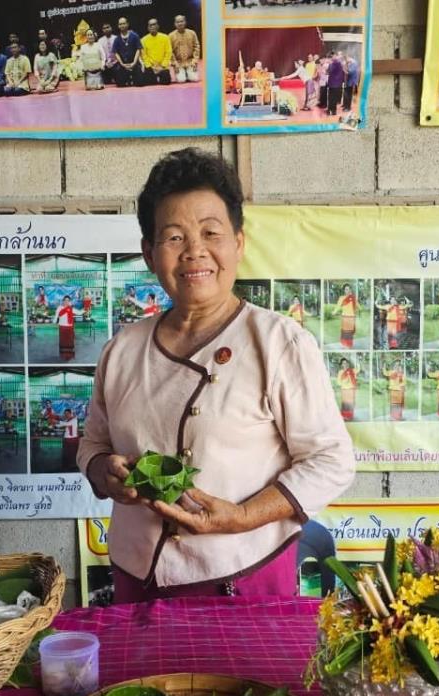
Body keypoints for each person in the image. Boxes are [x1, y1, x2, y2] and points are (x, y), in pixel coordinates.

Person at [77, 148, 353, 602]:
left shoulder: (278, 342)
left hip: (241, 579)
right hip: (137, 578)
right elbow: (92, 443)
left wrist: (242, 516)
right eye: (174, 237)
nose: (194, 251)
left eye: (211, 233)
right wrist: (102, 471)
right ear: (149, 254)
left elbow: (331, 460)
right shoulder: (123, 349)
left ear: (238, 244)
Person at [112, 17, 145, 87]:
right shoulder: (117, 39)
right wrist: (122, 64)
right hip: (123, 64)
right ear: (118, 26)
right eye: (120, 24)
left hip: (134, 63)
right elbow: (115, 52)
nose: (122, 25)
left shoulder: (135, 36)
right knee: (120, 84)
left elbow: (138, 49)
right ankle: (127, 80)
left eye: (124, 23)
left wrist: (134, 63)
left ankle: (132, 79)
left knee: (140, 83)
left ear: (127, 24)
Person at [169, 15, 200, 83]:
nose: (180, 23)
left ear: (185, 22)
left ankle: (188, 72)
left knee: (194, 79)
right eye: (177, 22)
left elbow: (196, 47)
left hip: (190, 62)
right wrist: (175, 64)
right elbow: (170, 51)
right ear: (175, 24)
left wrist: (195, 61)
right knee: (181, 80)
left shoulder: (192, 33)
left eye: (181, 21)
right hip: (178, 63)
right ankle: (183, 73)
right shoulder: (171, 36)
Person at [141, 19, 172, 86]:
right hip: (151, 67)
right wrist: (150, 67)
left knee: (166, 82)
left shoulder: (165, 37)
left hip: (163, 66)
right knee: (149, 82)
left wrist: (162, 66)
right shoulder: (143, 40)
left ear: (158, 26)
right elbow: (144, 56)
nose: (152, 27)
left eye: (154, 24)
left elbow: (168, 53)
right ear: (148, 28)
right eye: (150, 25)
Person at [333, 283, 358, 348]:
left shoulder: (353, 298)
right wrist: (334, 312)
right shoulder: (341, 298)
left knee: (349, 333)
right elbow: (338, 306)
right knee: (344, 332)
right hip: (344, 317)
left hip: (351, 317)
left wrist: (353, 299)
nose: (347, 290)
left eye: (348, 289)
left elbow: (357, 306)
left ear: (350, 290)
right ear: (344, 290)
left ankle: (349, 345)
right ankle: (344, 345)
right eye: (346, 289)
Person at [56, 295, 77, 361]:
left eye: (68, 300)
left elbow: (79, 312)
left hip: (69, 328)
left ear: (69, 301)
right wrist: (54, 321)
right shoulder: (60, 308)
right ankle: (63, 355)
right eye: (65, 300)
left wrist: (85, 309)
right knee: (63, 342)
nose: (66, 301)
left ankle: (69, 356)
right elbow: (56, 316)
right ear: (63, 301)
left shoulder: (71, 308)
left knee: (69, 342)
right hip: (62, 328)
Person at [326, 51, 346, 116]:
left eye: (331, 56)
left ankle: (332, 111)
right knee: (331, 98)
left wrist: (330, 64)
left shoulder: (336, 62)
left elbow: (329, 70)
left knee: (332, 98)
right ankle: (330, 110)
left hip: (335, 84)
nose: (331, 58)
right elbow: (328, 71)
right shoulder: (336, 62)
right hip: (334, 83)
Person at [60, 407, 80, 471]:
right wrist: (55, 423)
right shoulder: (68, 420)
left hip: (72, 439)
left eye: (67, 413)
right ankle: (68, 466)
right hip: (67, 439)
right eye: (65, 414)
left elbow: (67, 424)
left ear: (71, 413)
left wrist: (56, 421)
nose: (66, 415)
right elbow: (62, 424)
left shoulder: (74, 420)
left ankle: (73, 466)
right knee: (67, 453)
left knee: (72, 453)